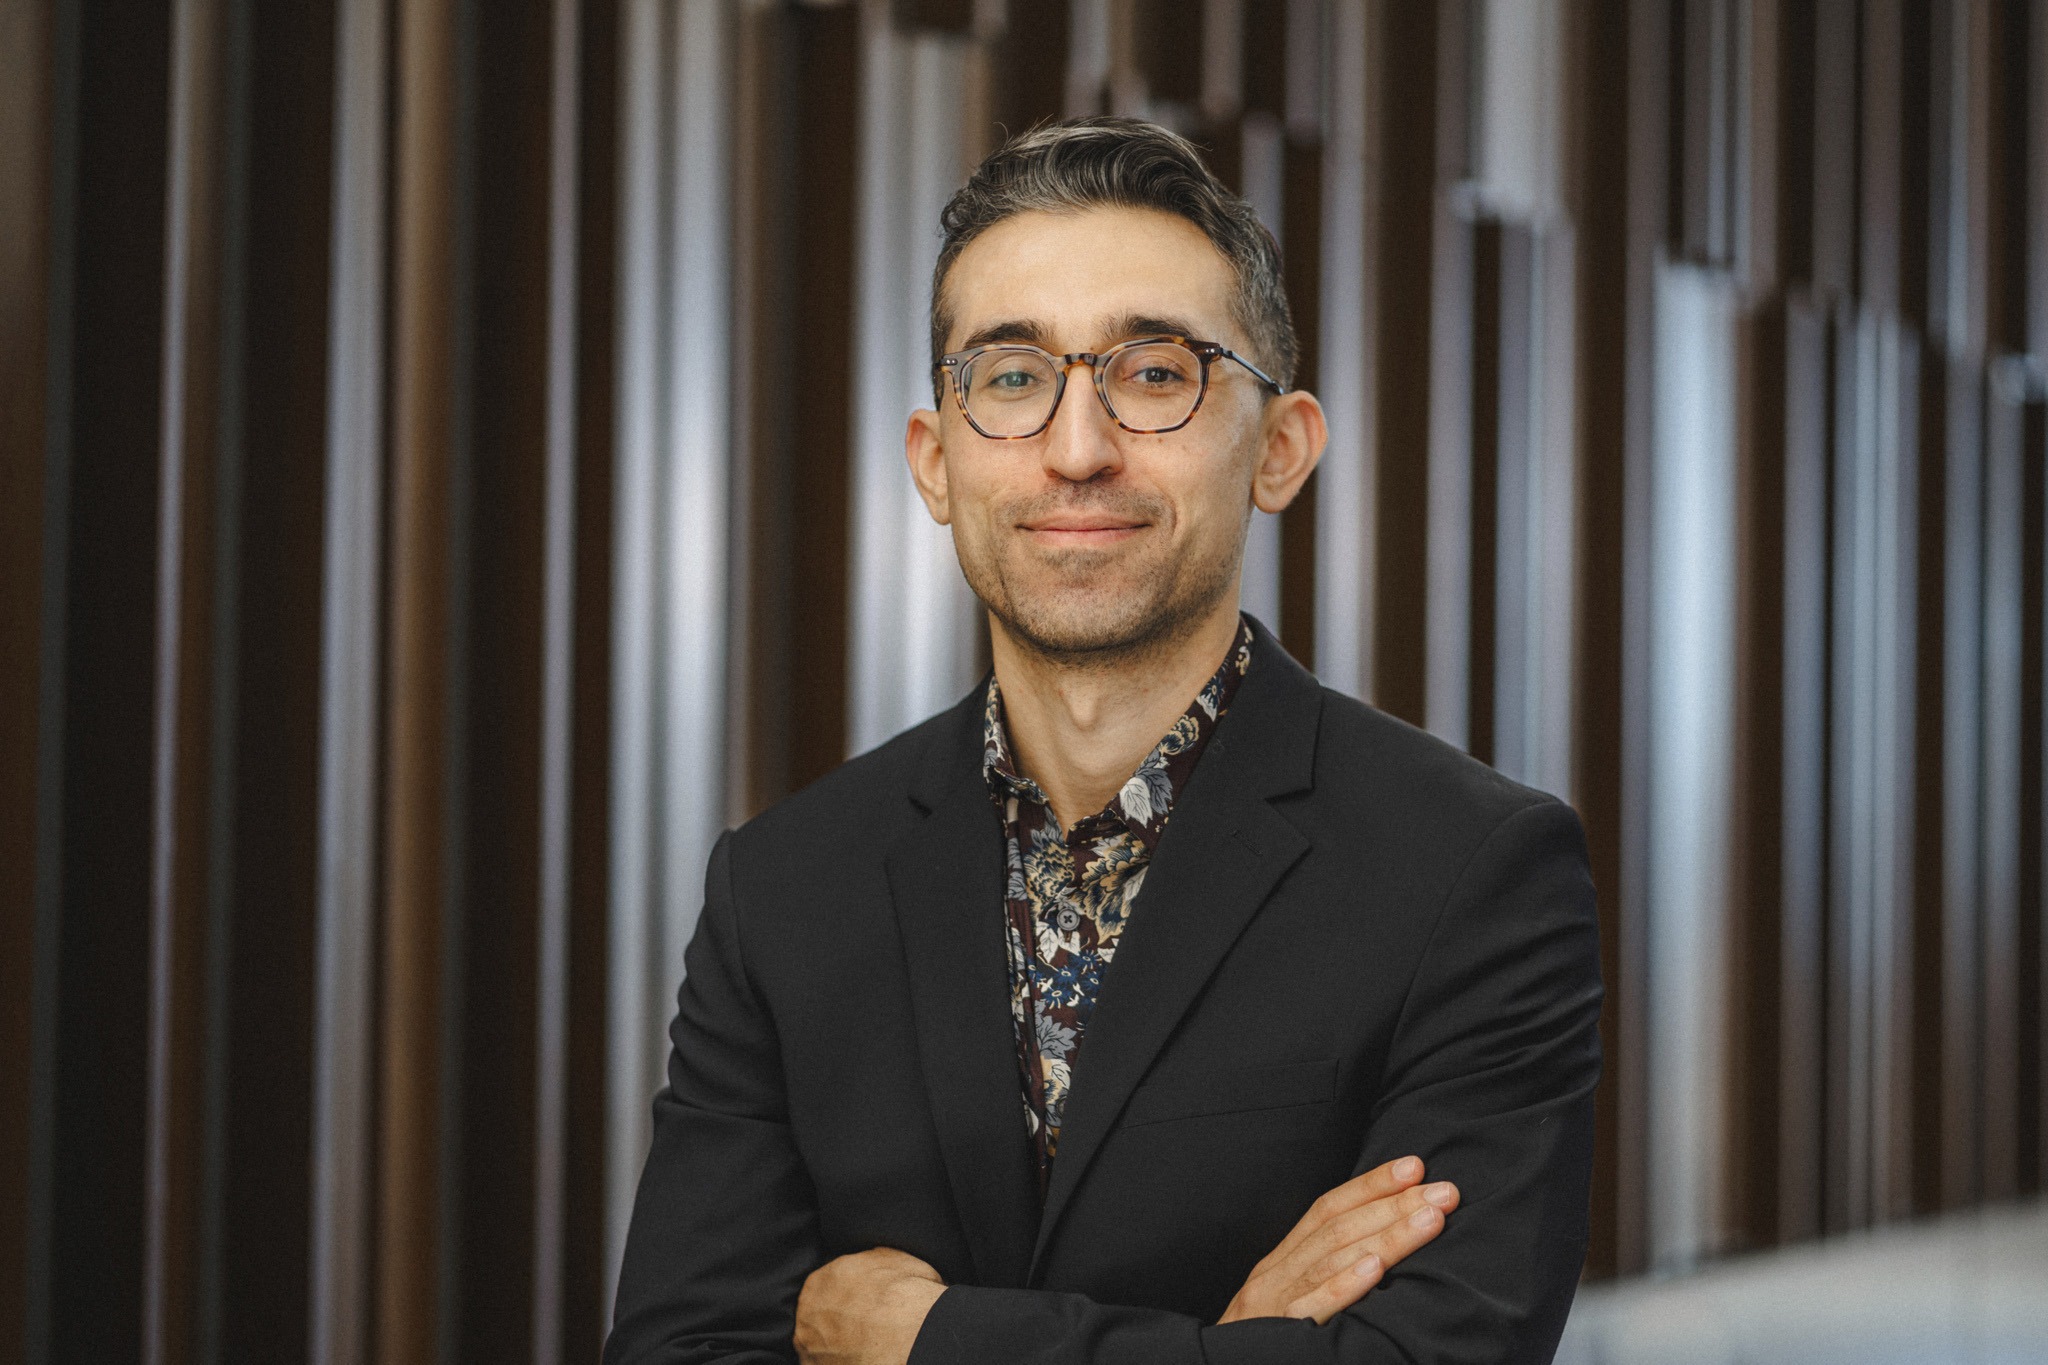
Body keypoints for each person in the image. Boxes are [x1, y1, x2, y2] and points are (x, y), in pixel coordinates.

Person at [604, 117, 1601, 1365]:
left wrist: (924, 1342)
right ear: (935, 462)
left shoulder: (1471, 873)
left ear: (1278, 449)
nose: (1076, 451)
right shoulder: (784, 888)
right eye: (1011, 379)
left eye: (1153, 373)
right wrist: (1222, 1344)